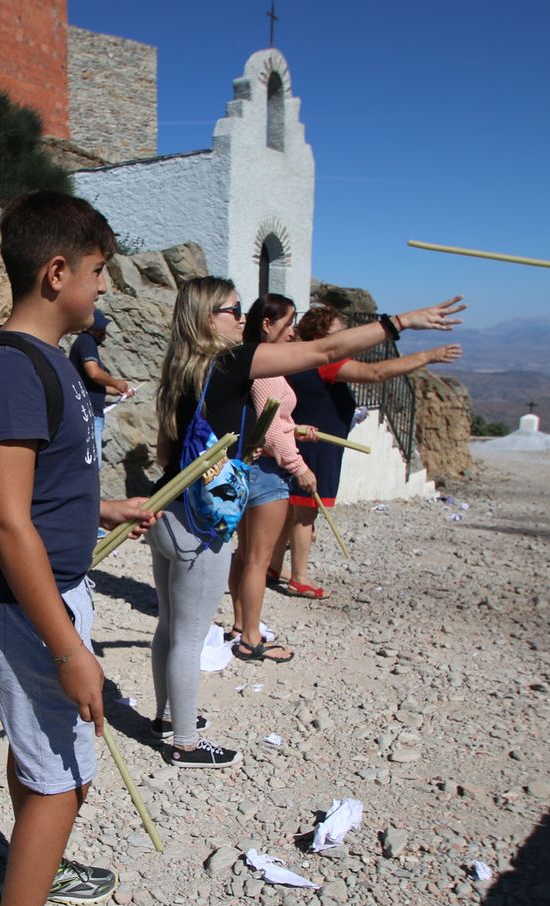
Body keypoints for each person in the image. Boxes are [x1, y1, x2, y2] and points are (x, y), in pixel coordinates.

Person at [0, 190, 155, 906]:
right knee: (66, 773)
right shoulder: (9, 369)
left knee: (41, 754)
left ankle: (35, 863)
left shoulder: (53, 361)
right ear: (56, 271)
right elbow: (3, 519)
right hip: (22, 606)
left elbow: (37, 493)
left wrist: (97, 509)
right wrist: (70, 648)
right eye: (99, 273)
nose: (104, 289)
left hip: (42, 593)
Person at [148, 279, 464, 768]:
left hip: (168, 506)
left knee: (171, 626)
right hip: (200, 518)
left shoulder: (180, 367)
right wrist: (400, 323)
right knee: (189, 636)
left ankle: (169, 717)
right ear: (210, 317)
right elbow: (328, 350)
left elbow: (168, 446)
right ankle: (184, 743)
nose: (240, 318)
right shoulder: (233, 360)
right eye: (233, 310)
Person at [227, 294, 311, 661]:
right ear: (268, 323)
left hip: (251, 465)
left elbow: (274, 423)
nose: (292, 332)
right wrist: (300, 467)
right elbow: (272, 430)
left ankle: (240, 623)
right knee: (257, 559)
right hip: (267, 473)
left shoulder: (251, 362)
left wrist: (296, 428)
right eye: (289, 323)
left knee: (246, 554)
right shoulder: (266, 367)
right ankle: (251, 637)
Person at [270, 301, 362, 598]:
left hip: (313, 441)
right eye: (339, 332)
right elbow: (375, 374)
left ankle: (273, 565)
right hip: (315, 446)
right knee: (305, 512)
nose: (344, 336)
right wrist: (426, 356)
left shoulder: (300, 360)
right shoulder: (322, 363)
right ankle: (299, 577)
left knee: (292, 510)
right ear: (323, 335)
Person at [68, 308, 133, 456]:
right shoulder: (86, 341)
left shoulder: (85, 342)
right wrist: (116, 383)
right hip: (88, 414)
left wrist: (118, 392)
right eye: (101, 327)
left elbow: (91, 385)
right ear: (93, 328)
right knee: (92, 465)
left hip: (90, 412)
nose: (104, 331)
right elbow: (94, 372)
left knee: (91, 463)